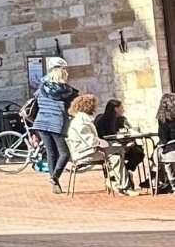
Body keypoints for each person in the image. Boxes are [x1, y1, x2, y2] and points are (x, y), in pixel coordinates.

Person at [67, 94, 134, 195]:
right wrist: (104, 143)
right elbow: (90, 140)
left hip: (88, 149)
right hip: (85, 152)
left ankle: (117, 182)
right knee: (118, 150)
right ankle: (122, 185)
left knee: (116, 156)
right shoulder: (81, 122)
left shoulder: (82, 119)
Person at [31, 64, 78, 193]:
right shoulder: (68, 91)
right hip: (57, 124)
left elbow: (35, 102)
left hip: (41, 123)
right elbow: (73, 107)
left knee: (51, 153)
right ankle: (55, 176)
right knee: (65, 153)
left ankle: (54, 183)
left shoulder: (41, 89)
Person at [96, 99, 147, 177]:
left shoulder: (122, 119)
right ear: (116, 109)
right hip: (110, 148)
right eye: (122, 108)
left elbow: (129, 131)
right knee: (121, 153)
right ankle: (121, 176)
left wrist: (129, 142)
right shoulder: (102, 121)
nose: (124, 110)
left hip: (124, 146)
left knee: (139, 152)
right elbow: (102, 137)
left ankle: (125, 172)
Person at [155, 92, 175, 190]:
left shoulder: (163, 120)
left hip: (171, 148)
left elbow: (163, 138)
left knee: (155, 155)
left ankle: (167, 181)